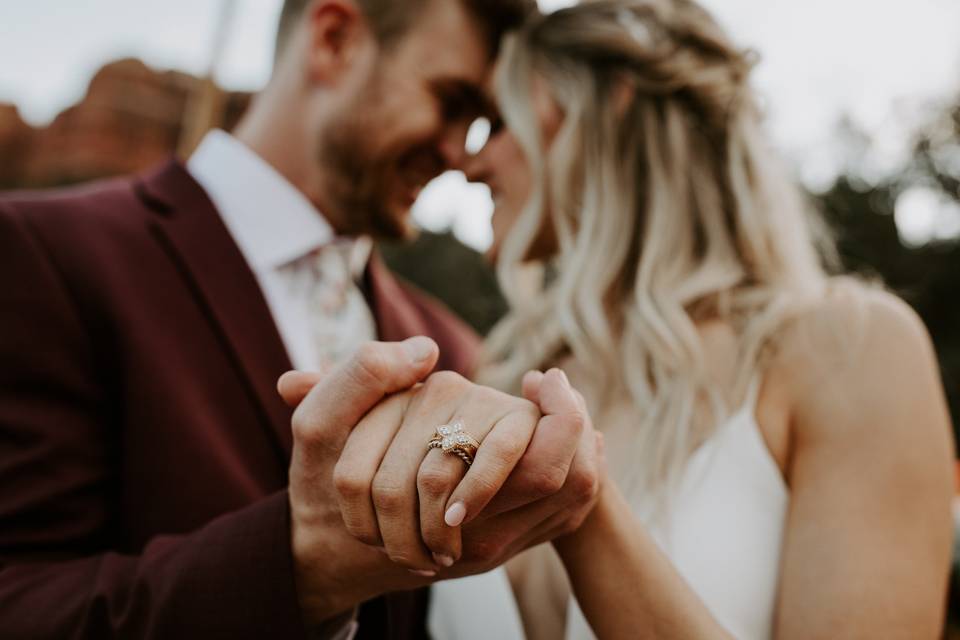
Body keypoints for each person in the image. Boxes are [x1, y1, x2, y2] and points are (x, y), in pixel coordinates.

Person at [0, 0, 605, 638]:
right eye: (450, 101)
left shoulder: (454, 346)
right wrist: (305, 564)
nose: (459, 153)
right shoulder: (43, 252)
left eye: (480, 123)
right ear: (334, 38)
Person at [422, 0, 956, 638]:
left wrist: (585, 516)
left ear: (605, 114)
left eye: (501, 123)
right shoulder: (504, 377)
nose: (470, 163)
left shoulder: (846, 350)